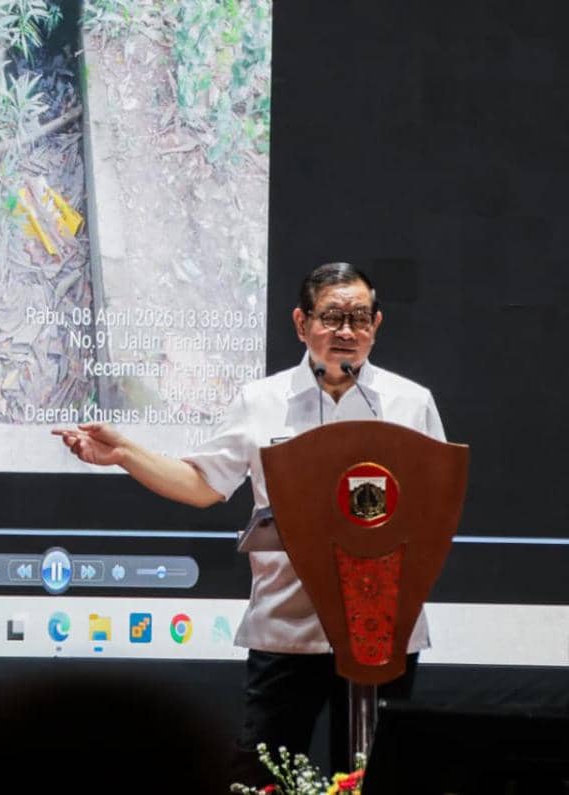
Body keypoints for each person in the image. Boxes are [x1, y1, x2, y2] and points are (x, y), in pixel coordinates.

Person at [55, 262, 444, 784]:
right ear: (301, 324)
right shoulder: (260, 403)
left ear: (376, 324)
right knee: (263, 777)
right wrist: (125, 453)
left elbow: (436, 506)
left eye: (359, 317)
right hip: (286, 627)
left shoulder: (409, 403)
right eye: (331, 317)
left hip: (381, 630)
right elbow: (203, 484)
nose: (346, 331)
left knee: (375, 779)